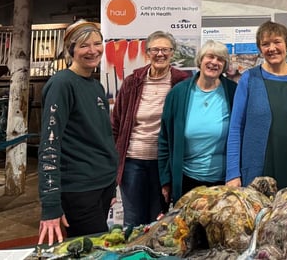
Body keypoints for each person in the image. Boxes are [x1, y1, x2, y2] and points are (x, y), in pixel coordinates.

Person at [38, 20, 118, 246]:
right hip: (79, 190)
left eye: (97, 43)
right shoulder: (62, 84)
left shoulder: (96, 86)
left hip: (101, 186)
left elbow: (102, 137)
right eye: (84, 45)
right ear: (71, 50)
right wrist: (50, 204)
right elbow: (49, 146)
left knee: (97, 248)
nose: (93, 50)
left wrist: (110, 183)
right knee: (93, 250)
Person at [111, 31, 190, 226]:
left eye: (165, 49)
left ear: (172, 53)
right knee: (133, 219)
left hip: (163, 164)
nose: (160, 54)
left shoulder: (182, 82)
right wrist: (113, 160)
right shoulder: (133, 81)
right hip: (132, 161)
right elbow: (116, 123)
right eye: (155, 49)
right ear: (147, 52)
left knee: (158, 221)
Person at [226, 21, 287, 190]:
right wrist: (232, 174)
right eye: (265, 44)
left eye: (277, 42)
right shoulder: (249, 79)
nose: (272, 48)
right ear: (259, 49)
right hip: (257, 170)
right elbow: (236, 128)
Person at [158, 40, 237, 205]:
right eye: (210, 57)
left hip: (225, 183)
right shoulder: (178, 93)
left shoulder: (233, 91)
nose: (214, 62)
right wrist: (166, 180)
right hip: (188, 181)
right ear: (200, 60)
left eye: (220, 59)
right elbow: (165, 139)